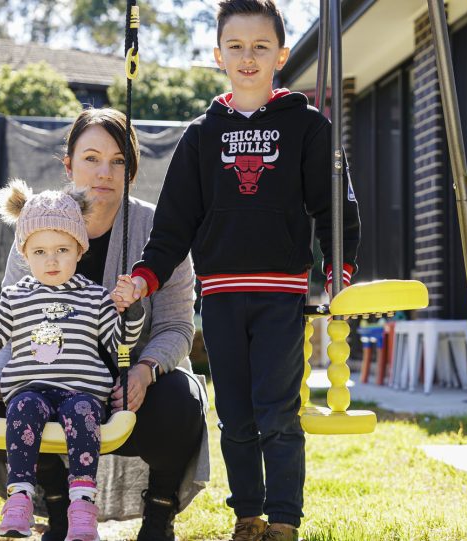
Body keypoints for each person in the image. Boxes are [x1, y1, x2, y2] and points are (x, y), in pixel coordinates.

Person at [116, 2, 361, 540]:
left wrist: (339, 269)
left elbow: (333, 206)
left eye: (259, 46)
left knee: (276, 411)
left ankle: (284, 520)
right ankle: (247, 514)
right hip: (221, 297)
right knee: (235, 415)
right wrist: (144, 276)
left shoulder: (306, 126)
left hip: (280, 294)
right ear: (217, 55)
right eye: (236, 46)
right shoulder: (201, 135)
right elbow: (175, 225)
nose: (247, 57)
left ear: (281, 54)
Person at [0, 108, 208, 541]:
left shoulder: (160, 230)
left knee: (181, 400)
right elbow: (9, 325)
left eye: (117, 160)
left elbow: (177, 327)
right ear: (68, 164)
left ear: (130, 170)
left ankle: (159, 514)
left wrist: (144, 371)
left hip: (130, 378)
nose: (104, 172)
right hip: (47, 376)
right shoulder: (37, 225)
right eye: (91, 158)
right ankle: (55, 508)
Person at [0, 180, 146, 540]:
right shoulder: (14, 298)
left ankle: (82, 505)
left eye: (62, 249)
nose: (52, 260)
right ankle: (20, 498)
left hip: (82, 393)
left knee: (82, 414)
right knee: (23, 406)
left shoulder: (95, 297)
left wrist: (130, 307)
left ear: (79, 250)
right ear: (25, 254)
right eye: (40, 252)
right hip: (32, 390)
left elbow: (121, 340)